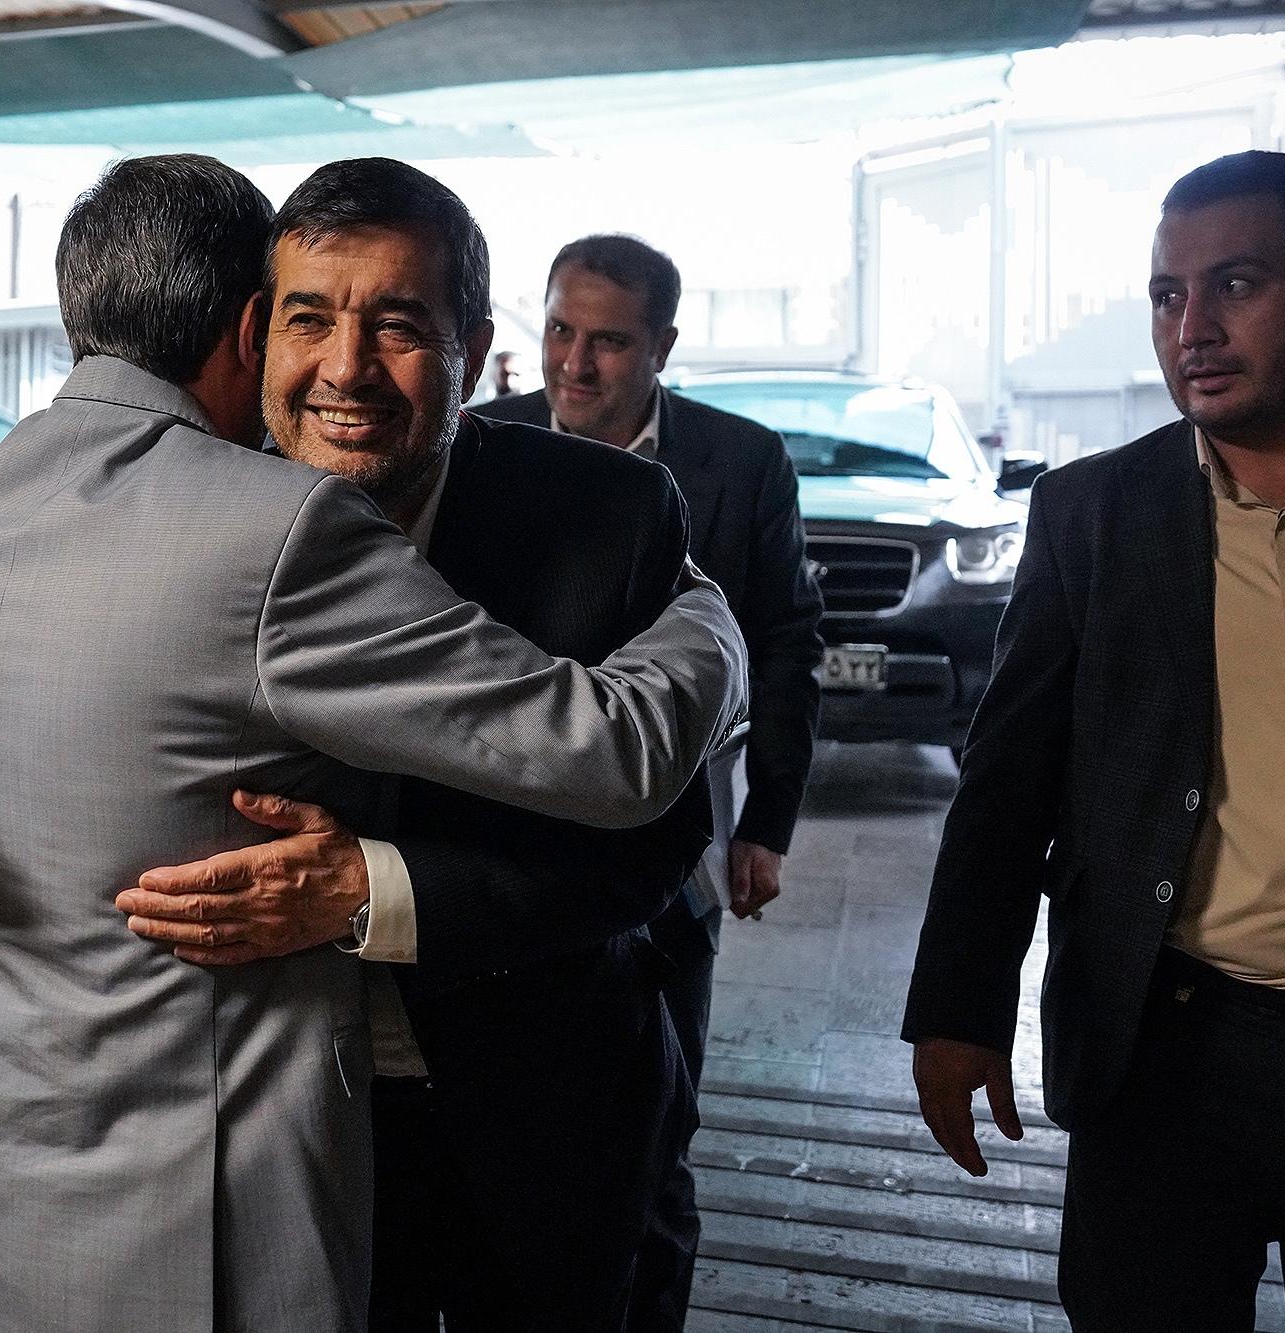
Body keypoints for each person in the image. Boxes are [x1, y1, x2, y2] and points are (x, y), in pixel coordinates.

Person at [0, 154, 747, 1333]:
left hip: (520, 1125)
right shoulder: (179, 494)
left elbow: (651, 838)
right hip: (252, 1169)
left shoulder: (603, 512)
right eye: (307, 319)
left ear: (471, 346)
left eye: (398, 324)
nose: (345, 368)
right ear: (254, 331)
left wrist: (375, 892)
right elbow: (21, 705)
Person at [901, 150, 1285, 1331]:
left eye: (1235, 286)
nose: (1191, 328)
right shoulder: (1089, 515)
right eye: (1167, 295)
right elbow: (1006, 783)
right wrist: (957, 1006)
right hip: (1168, 1055)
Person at [473, 232, 823, 1320]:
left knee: (657, 1135)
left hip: (675, 851)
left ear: (662, 347)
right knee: (502, 1136)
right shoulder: (480, 443)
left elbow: (785, 642)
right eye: (559, 331)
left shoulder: (741, 461)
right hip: (501, 851)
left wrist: (765, 823)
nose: (574, 364)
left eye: (609, 343)